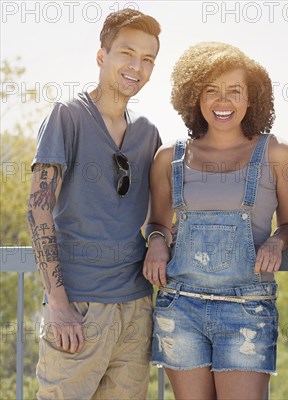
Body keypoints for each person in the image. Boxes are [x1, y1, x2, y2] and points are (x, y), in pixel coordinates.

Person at [142, 41, 288, 399]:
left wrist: (277, 241)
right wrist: (155, 240)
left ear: (251, 97)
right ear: (195, 97)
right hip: (180, 306)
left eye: (234, 91)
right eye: (211, 91)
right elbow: (157, 222)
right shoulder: (169, 157)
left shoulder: (277, 154)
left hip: (247, 309)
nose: (223, 101)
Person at [26, 9, 162, 400]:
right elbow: (38, 209)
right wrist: (58, 303)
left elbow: (160, 213)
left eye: (148, 59)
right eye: (126, 53)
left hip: (135, 307)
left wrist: (156, 239)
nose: (136, 66)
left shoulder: (147, 133)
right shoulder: (68, 116)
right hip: (79, 308)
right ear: (102, 56)